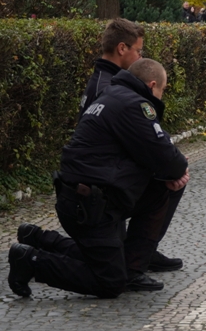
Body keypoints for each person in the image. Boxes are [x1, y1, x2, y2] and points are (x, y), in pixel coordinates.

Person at [8, 59, 190, 298]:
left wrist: (167, 175)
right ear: (153, 84)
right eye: (162, 90)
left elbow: (157, 152)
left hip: (87, 198)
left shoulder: (114, 95)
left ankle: (43, 240)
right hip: (89, 206)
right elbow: (169, 158)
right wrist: (173, 171)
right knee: (110, 281)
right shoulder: (135, 105)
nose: (162, 96)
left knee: (158, 193)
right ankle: (32, 261)